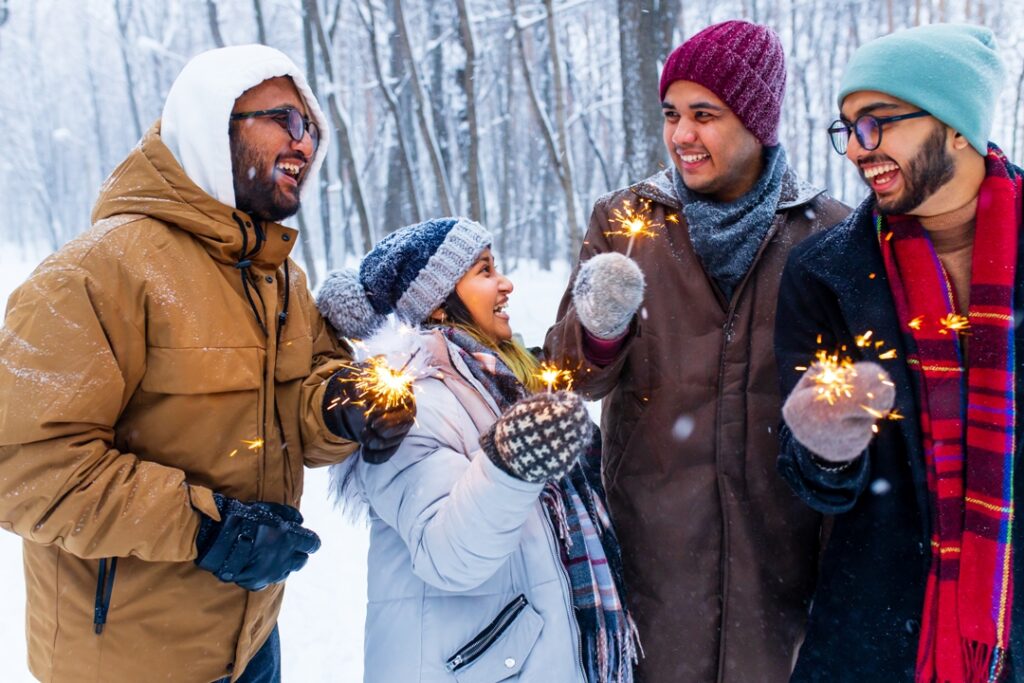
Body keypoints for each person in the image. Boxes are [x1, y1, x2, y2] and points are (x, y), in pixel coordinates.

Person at [0, 45, 412, 683]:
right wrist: (207, 530)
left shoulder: (282, 281)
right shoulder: (97, 273)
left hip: (248, 643)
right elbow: (26, 465)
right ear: (212, 124)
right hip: (127, 662)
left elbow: (302, 400)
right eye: (286, 121)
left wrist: (341, 408)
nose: (305, 145)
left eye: (312, 129)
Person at [543, 20, 850, 683]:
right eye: (671, 114)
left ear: (757, 121)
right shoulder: (626, 224)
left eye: (704, 114)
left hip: (782, 578)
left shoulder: (828, 237)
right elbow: (564, 379)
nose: (681, 134)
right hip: (654, 566)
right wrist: (598, 328)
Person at [775, 24, 1020, 681]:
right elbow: (808, 481)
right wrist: (825, 445)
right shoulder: (826, 272)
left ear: (957, 123)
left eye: (877, 123)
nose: (857, 150)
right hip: (876, 632)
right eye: (848, 127)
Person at [316, 217, 640, 683]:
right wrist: (509, 463)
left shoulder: (504, 381)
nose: (505, 283)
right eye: (484, 271)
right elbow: (449, 555)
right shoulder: (405, 403)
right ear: (440, 305)